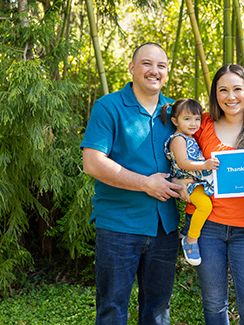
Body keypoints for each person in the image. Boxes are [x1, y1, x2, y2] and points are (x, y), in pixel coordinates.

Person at [80, 42, 183, 325]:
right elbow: (93, 163)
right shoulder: (108, 107)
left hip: (164, 227)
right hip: (118, 226)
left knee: (158, 310)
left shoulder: (175, 113)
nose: (154, 71)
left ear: (167, 72)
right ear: (132, 67)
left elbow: (192, 155)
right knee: (112, 308)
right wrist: (145, 184)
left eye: (161, 66)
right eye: (147, 64)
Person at [174, 64, 244, 324]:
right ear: (215, 94)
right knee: (214, 304)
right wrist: (179, 180)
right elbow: (176, 152)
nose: (230, 96)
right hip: (207, 227)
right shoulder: (201, 123)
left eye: (237, 89)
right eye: (222, 90)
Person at [161, 98, 219, 266]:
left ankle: (187, 229)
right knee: (205, 206)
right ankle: (191, 239)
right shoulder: (178, 139)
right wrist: (205, 164)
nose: (193, 123)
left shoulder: (191, 137)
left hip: (194, 180)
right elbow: (183, 162)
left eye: (197, 119)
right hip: (187, 182)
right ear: (175, 121)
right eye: (187, 119)